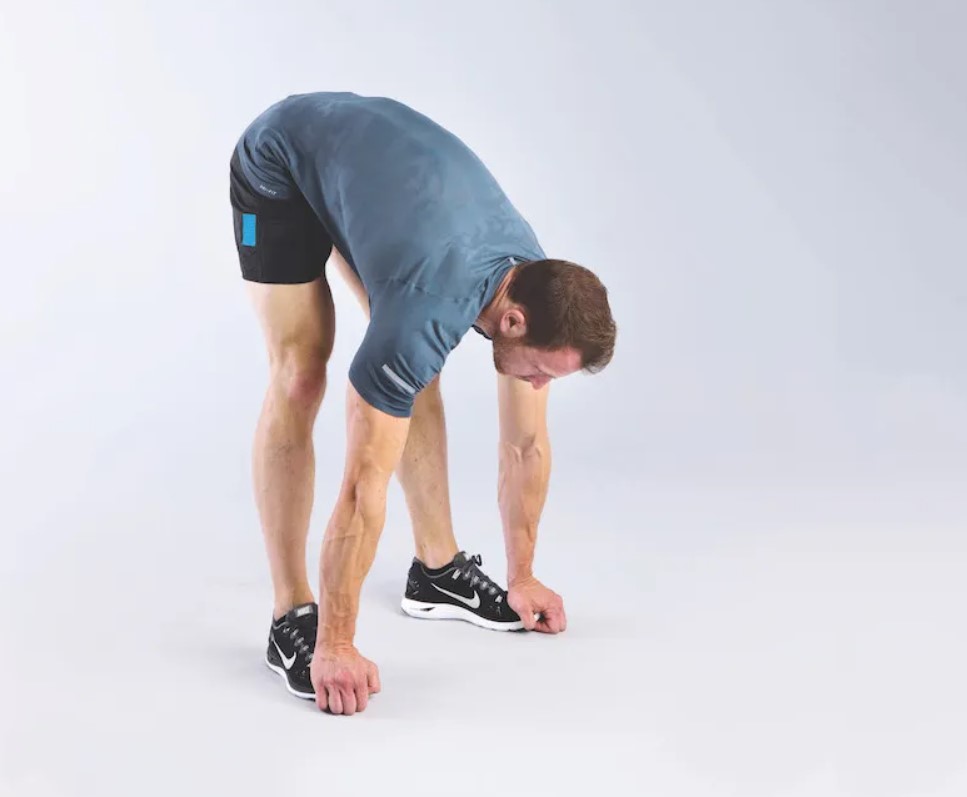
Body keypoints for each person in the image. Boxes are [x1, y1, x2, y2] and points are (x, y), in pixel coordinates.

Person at [229, 92, 616, 716]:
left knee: (409, 363)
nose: (540, 386)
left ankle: (435, 572)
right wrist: (337, 642)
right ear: (512, 321)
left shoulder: (535, 284)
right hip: (282, 164)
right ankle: (290, 613)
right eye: (543, 373)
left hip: (381, 187)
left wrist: (523, 576)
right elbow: (362, 488)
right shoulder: (432, 300)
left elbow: (526, 445)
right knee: (302, 373)